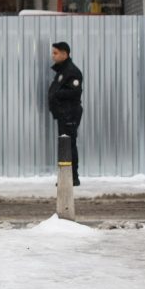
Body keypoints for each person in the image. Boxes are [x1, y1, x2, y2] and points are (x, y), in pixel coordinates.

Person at [48, 41, 84, 187]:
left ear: (64, 54)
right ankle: (67, 176)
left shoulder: (72, 71)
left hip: (69, 114)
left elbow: (75, 92)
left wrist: (56, 94)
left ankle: (72, 177)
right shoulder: (63, 70)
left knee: (68, 145)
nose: (53, 56)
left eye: (55, 53)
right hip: (64, 114)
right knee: (65, 145)